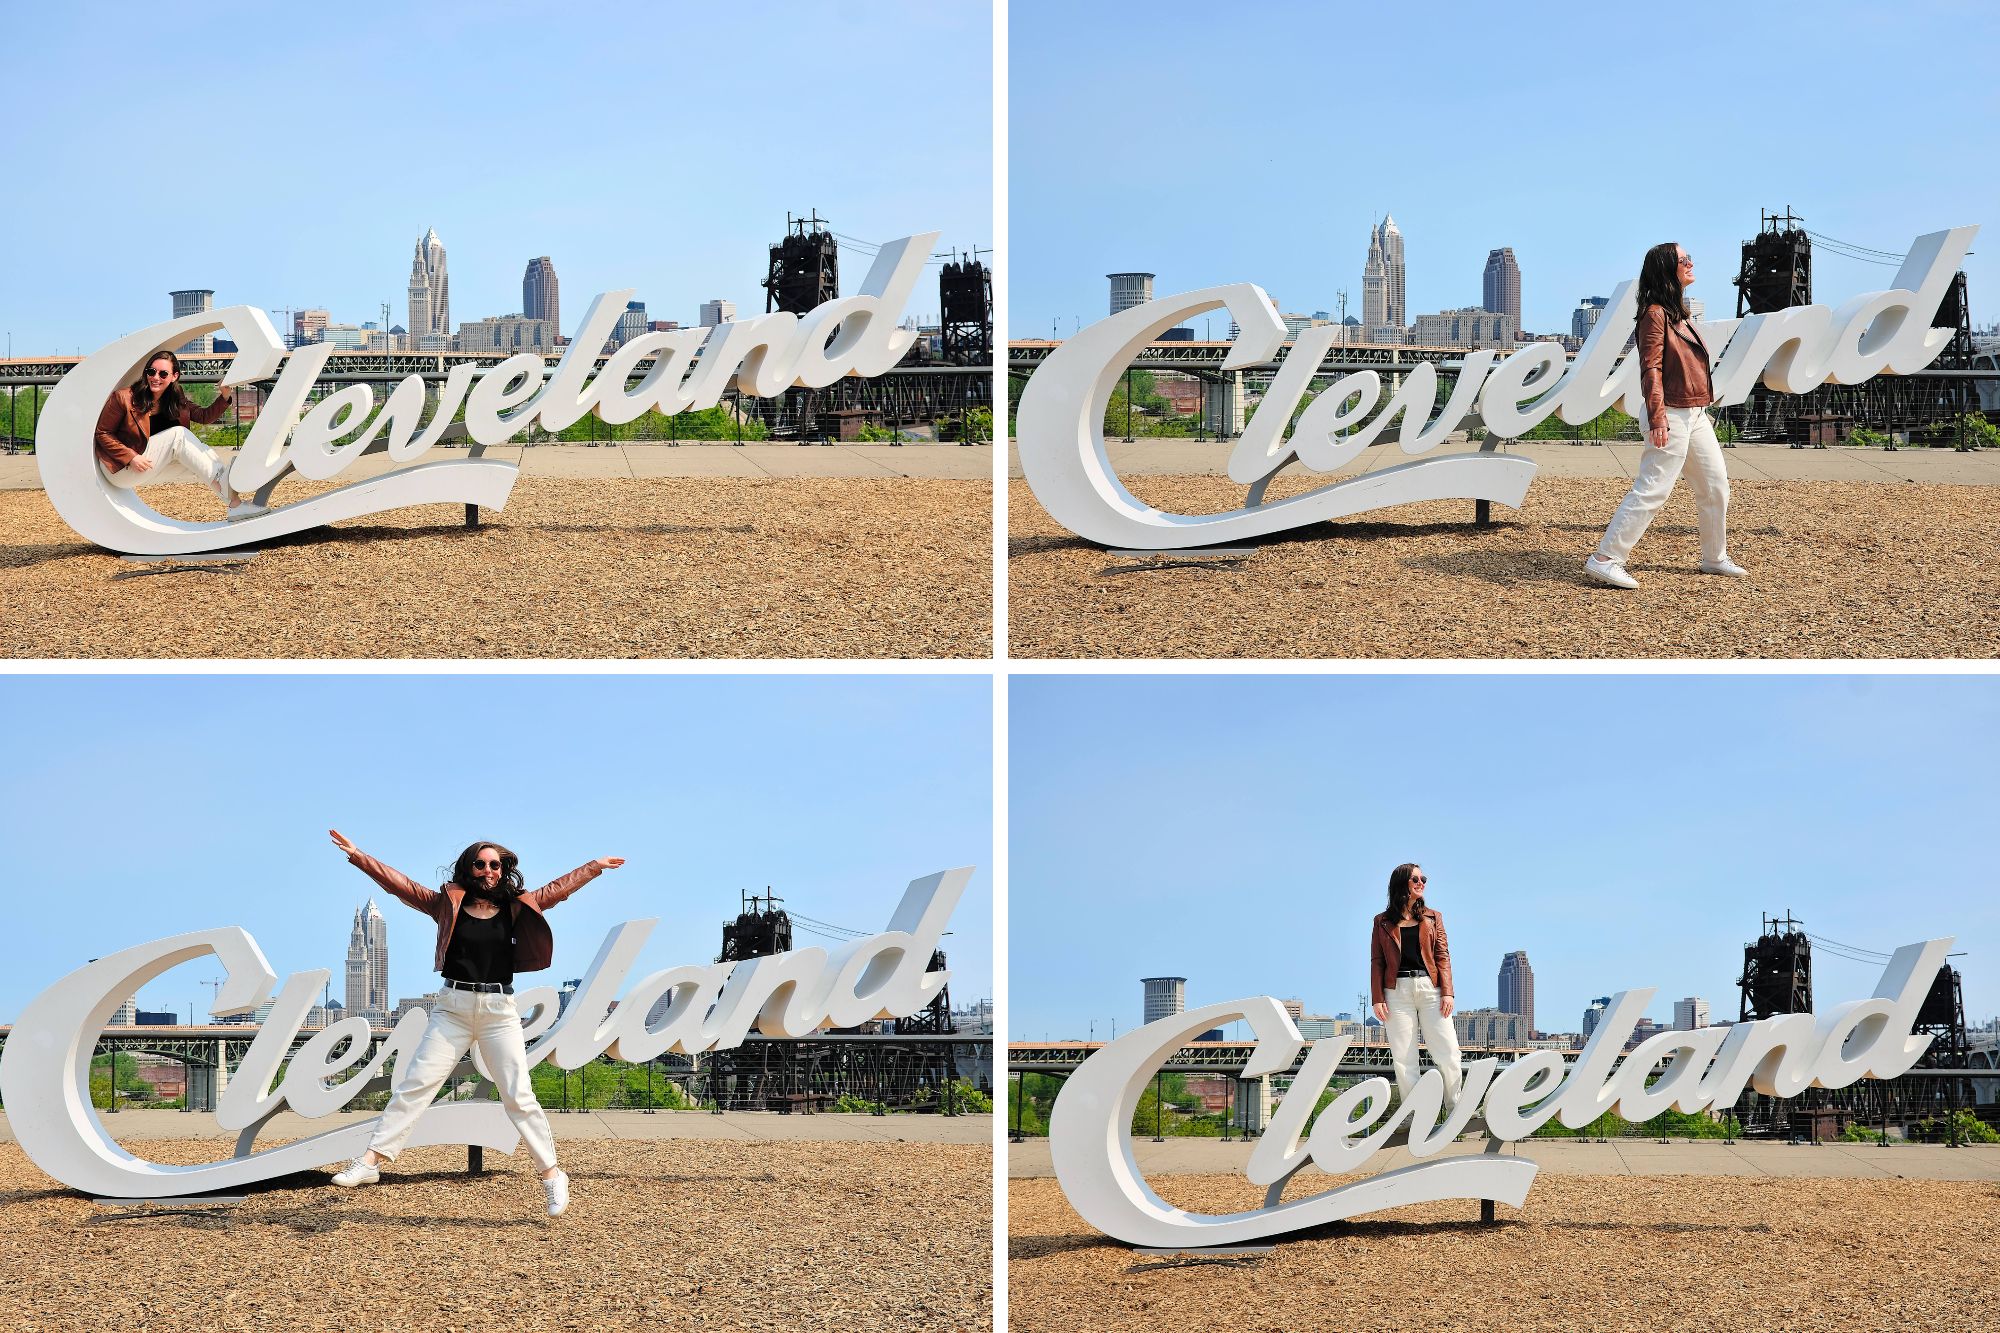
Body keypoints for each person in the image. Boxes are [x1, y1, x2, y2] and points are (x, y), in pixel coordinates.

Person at [326, 829, 626, 1217]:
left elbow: (559, 888)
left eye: (495, 865)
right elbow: (400, 885)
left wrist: (594, 867)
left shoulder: (519, 905)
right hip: (452, 1006)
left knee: (517, 1094)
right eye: (481, 864)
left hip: (499, 1011)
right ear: (468, 868)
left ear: (503, 870)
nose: (488, 870)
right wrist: (358, 855)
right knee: (417, 1085)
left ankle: (552, 1175)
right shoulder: (447, 904)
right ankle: (370, 1161)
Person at [1584, 243, 1747, 589]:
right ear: (1666, 269)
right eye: (1683, 259)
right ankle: (1605, 558)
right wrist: (1658, 417)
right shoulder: (1655, 314)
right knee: (1653, 489)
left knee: (1715, 486)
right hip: (1670, 412)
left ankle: (1714, 557)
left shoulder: (1678, 312)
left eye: (1689, 257)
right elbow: (1651, 369)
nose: (1691, 262)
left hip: (1694, 412)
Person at [94, 349, 268, 520]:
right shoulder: (123, 397)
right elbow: (103, 433)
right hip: (121, 469)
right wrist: (131, 457)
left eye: (163, 374)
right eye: (151, 371)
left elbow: (204, 416)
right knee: (179, 435)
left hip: (149, 466)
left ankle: (234, 504)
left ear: (174, 376)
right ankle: (228, 489)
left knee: (201, 453)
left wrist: (224, 396)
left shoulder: (175, 399)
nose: (155, 377)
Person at [1369, 862, 1464, 1110]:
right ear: (1402, 884)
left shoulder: (1434, 917)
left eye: (1424, 879)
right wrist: (1377, 998)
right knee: (1403, 1058)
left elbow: (1443, 955)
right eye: (1416, 879)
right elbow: (1377, 961)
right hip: (1396, 992)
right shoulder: (1381, 922)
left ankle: (1456, 1107)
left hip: (1430, 989)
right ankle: (1413, 1114)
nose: (1421, 883)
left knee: (1448, 1051)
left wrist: (1448, 992)